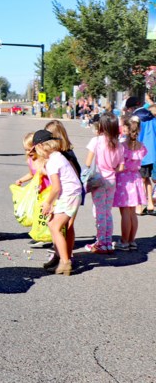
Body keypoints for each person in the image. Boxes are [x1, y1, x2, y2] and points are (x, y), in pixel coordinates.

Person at [32, 129, 81, 275]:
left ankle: (65, 262)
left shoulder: (53, 162)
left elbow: (56, 187)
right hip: (70, 193)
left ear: (40, 146)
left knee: (54, 226)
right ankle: (59, 256)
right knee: (52, 223)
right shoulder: (57, 156)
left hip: (70, 195)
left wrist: (47, 203)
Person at [83, 113, 124, 254]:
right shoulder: (118, 144)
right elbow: (121, 167)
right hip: (112, 180)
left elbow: (88, 163)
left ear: (102, 125)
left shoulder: (96, 141)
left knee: (99, 211)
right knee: (107, 212)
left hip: (99, 179)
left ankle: (100, 242)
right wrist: (111, 169)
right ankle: (107, 242)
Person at [115, 114, 146, 250]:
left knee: (125, 213)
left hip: (124, 180)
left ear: (127, 128)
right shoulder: (141, 146)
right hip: (136, 179)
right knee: (132, 212)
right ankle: (132, 240)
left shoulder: (122, 146)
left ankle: (124, 241)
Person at [124, 96, 156, 216]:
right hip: (152, 152)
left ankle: (139, 205)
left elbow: (133, 136)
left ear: (131, 108)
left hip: (140, 153)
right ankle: (150, 204)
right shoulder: (151, 116)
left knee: (139, 179)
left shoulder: (135, 119)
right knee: (146, 179)